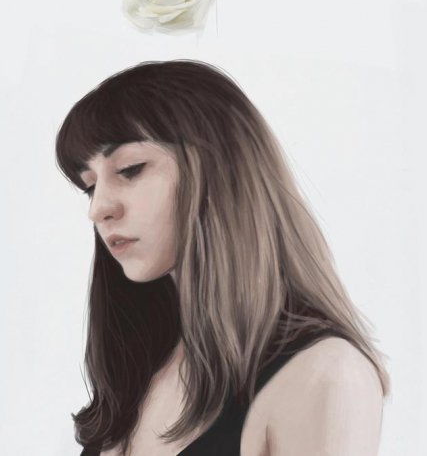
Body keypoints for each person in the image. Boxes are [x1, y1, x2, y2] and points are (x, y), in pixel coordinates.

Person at [55, 59, 390, 456]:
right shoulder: (139, 376)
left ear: (221, 169)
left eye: (130, 169)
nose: (98, 209)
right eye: (89, 186)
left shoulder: (325, 375)